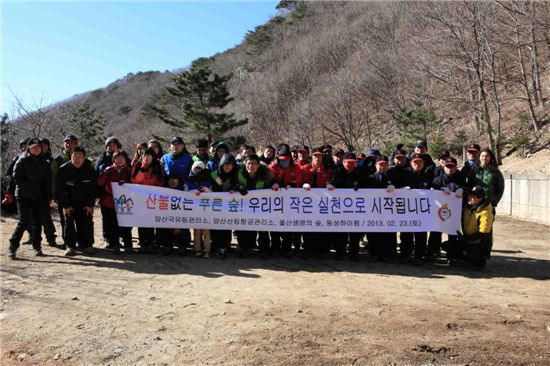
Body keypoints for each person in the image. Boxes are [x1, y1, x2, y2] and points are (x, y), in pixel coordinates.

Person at [7, 138, 52, 259]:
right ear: (29, 149)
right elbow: (16, 177)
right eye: (34, 147)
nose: (36, 149)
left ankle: (37, 246)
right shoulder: (21, 160)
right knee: (24, 221)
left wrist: (48, 196)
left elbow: (48, 181)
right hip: (23, 195)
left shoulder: (45, 162)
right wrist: (31, 188)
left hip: (39, 196)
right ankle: (13, 246)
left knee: (37, 222)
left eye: (38, 147)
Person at [56, 147, 97, 256]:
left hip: (84, 202)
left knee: (86, 222)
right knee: (68, 222)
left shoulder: (90, 170)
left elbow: (92, 189)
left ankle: (87, 245)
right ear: (71, 157)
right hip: (68, 202)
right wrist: (65, 205)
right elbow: (60, 190)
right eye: (74, 157)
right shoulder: (63, 169)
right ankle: (70, 246)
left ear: (84, 158)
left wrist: (90, 205)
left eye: (80, 157)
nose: (77, 159)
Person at [442, 186, 493, 269]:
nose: (469, 197)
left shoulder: (486, 213)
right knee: (447, 246)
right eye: (469, 195)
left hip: (479, 245)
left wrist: (464, 238)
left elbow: (483, 234)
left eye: (472, 196)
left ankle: (479, 261)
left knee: (469, 253)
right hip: (467, 241)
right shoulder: (467, 208)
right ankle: (465, 258)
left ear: (480, 198)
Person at [331, 152, 369, 261]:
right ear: (343, 162)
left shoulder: (360, 173)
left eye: (353, 163)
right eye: (348, 163)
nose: (350, 165)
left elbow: (368, 187)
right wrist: (329, 185)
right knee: (340, 231)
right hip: (340, 208)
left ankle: (354, 253)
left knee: (355, 232)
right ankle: (340, 251)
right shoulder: (337, 172)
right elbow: (332, 184)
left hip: (356, 209)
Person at [268, 144, 304, 257]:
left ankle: (286, 248)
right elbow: (267, 180)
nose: (284, 163)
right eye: (282, 160)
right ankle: (274, 247)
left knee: (287, 226)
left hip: (290, 202)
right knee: (274, 226)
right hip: (275, 202)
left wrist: (292, 185)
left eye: (286, 161)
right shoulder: (272, 167)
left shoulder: (296, 168)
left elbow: (298, 181)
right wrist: (273, 183)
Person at [235, 154, 272, 259]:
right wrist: (239, 187)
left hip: (261, 206)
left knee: (263, 228)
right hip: (245, 206)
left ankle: (264, 249)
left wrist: (275, 185)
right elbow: (234, 184)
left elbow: (270, 185)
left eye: (254, 163)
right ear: (245, 164)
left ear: (258, 165)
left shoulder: (265, 174)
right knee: (246, 227)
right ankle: (246, 248)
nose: (251, 166)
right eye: (249, 163)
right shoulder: (240, 173)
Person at [399, 153, 434, 264]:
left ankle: (419, 256)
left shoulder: (428, 175)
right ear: (411, 163)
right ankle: (406, 255)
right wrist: (401, 188)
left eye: (420, 162)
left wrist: (435, 190)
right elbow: (395, 187)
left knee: (421, 235)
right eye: (415, 162)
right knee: (406, 234)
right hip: (406, 210)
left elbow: (435, 187)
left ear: (423, 163)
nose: (417, 164)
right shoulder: (405, 174)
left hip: (422, 211)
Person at [428, 157, 465, 259]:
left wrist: (461, 190)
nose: (449, 169)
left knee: (452, 233)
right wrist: (440, 190)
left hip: (454, 210)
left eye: (452, 166)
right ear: (444, 167)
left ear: (455, 167)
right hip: (439, 210)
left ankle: (452, 256)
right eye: (447, 166)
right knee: (436, 231)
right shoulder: (438, 179)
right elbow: (431, 191)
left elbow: (465, 189)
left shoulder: (461, 178)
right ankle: (432, 252)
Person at [97, 150, 133, 254]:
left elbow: (134, 184)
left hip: (124, 202)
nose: (120, 160)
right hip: (108, 201)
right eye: (117, 158)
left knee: (125, 224)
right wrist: (105, 173)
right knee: (112, 224)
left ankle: (128, 245)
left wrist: (126, 184)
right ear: (114, 159)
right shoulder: (109, 170)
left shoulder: (128, 171)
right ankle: (115, 244)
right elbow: (99, 182)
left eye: (122, 158)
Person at [301, 147, 335, 259]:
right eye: (315, 156)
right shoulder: (305, 168)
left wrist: (328, 184)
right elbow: (300, 181)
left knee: (322, 226)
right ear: (312, 157)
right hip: (308, 204)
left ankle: (323, 249)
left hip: (322, 204)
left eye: (319, 156)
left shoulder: (327, 169)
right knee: (309, 226)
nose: (317, 158)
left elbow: (329, 180)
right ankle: (308, 248)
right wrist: (304, 184)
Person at [131, 148, 164, 253]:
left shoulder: (158, 167)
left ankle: (150, 243)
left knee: (151, 221)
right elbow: (134, 180)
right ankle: (143, 243)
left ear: (153, 157)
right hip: (140, 199)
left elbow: (161, 181)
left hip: (153, 199)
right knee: (141, 222)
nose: (146, 157)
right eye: (145, 155)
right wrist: (142, 168)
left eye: (149, 155)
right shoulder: (137, 166)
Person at [366, 155, 397, 262]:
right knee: (374, 234)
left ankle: (386, 254)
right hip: (373, 211)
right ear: (376, 165)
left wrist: (395, 188)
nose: (382, 167)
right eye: (380, 165)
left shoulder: (392, 178)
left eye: (385, 165)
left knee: (387, 233)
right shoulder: (369, 178)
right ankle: (374, 253)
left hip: (388, 211)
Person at [210, 153, 240, 258]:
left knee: (226, 225)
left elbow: (238, 186)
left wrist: (235, 188)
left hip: (228, 206)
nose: (227, 166)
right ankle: (216, 246)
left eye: (230, 164)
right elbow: (210, 186)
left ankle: (226, 245)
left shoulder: (235, 175)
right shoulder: (214, 174)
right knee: (216, 226)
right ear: (221, 164)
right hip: (215, 205)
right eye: (225, 163)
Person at [51, 134, 79, 243]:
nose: (68, 144)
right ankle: (67, 241)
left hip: (78, 194)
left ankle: (80, 240)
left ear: (76, 144)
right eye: (66, 142)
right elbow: (53, 177)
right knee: (65, 219)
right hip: (63, 193)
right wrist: (54, 194)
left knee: (79, 219)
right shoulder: (58, 159)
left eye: (71, 142)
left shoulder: (81, 156)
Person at [157, 173, 190, 256]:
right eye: (170, 179)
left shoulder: (185, 193)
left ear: (179, 181)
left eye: (175, 179)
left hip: (181, 222)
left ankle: (182, 247)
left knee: (184, 232)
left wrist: (178, 226)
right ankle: (167, 246)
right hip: (166, 222)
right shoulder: (162, 193)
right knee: (161, 231)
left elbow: (187, 213)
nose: (172, 181)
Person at [186, 161, 213, 258]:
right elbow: (185, 193)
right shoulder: (189, 180)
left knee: (206, 231)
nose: (197, 170)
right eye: (195, 168)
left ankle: (207, 250)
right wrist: (193, 192)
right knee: (197, 231)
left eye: (199, 168)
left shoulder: (207, 181)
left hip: (205, 209)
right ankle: (197, 249)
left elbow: (212, 194)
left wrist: (208, 191)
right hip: (194, 210)